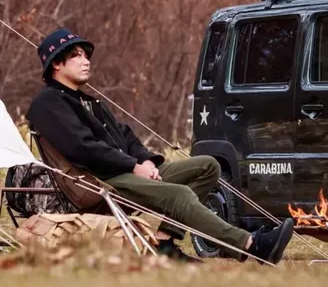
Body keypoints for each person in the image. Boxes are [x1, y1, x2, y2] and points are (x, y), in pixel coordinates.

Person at [26, 28, 294, 264]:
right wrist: (133, 166)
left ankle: (165, 241)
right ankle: (251, 246)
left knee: (207, 167)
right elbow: (82, 149)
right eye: (77, 56)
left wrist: (147, 162)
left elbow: (125, 136)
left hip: (122, 174)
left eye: (86, 55)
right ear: (56, 64)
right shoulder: (47, 104)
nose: (86, 61)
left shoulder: (90, 101)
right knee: (179, 195)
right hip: (95, 184)